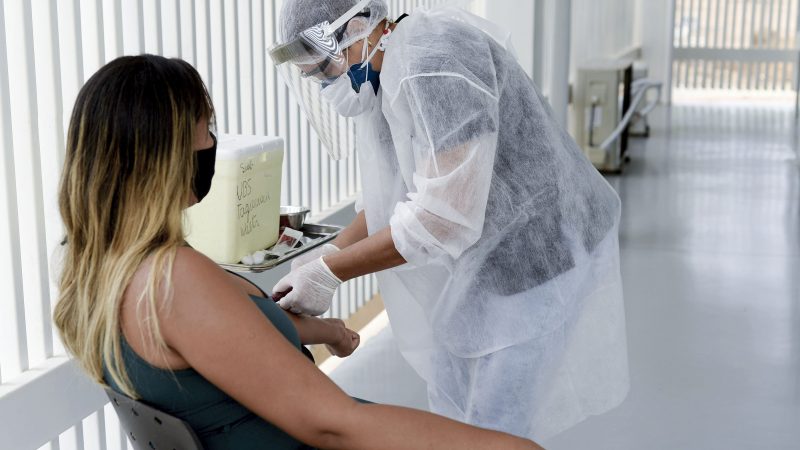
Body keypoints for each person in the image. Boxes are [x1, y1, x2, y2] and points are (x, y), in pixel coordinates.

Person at [52, 54, 543, 450]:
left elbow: (221, 343)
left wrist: (320, 328)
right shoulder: (173, 280)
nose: (213, 144)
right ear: (167, 152)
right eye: (206, 130)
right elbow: (333, 424)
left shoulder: (95, 269)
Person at [269, 0, 630, 441]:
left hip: (542, 253)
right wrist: (328, 254)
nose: (326, 83)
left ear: (358, 26)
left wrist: (330, 273)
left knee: (494, 429)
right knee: (452, 415)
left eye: (325, 68)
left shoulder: (435, 59)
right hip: (485, 262)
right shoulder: (382, 81)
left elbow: (443, 216)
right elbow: (391, 200)